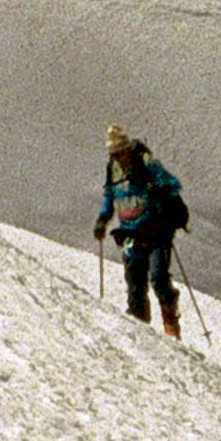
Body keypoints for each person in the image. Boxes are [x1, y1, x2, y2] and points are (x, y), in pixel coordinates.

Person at [94, 129, 189, 336]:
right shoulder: (113, 170)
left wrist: (159, 189)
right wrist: (103, 218)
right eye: (113, 154)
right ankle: (140, 329)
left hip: (156, 231)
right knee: (134, 283)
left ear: (127, 149)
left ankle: (170, 318)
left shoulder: (147, 164)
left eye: (119, 153)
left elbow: (174, 185)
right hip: (130, 234)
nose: (117, 158)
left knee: (157, 276)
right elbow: (110, 197)